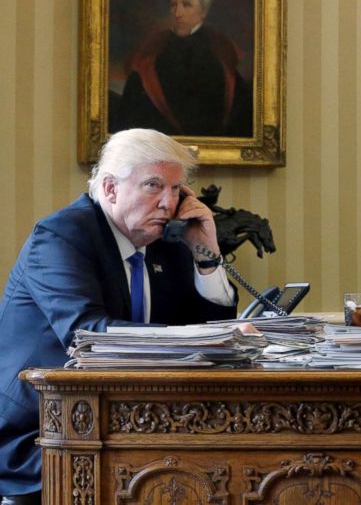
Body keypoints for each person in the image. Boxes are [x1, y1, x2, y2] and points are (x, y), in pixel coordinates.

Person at [0, 129, 240, 504]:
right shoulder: (62, 235)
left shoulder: (169, 243)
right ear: (110, 189)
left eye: (177, 189)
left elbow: (210, 329)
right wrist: (189, 340)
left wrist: (207, 255)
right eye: (153, 186)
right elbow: (88, 335)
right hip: (41, 432)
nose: (168, 202)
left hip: (132, 422)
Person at [112, 0, 253, 137]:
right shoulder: (150, 52)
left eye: (186, 5)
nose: (177, 13)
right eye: (173, 4)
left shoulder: (223, 52)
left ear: (204, 10)